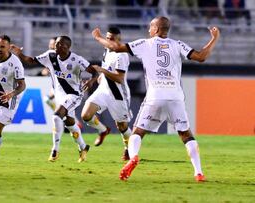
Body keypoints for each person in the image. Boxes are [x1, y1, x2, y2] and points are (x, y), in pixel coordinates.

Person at [92, 16, 220, 182]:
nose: (149, 30)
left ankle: (133, 158)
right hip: (175, 97)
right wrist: (214, 38)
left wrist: (98, 37)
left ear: (157, 29)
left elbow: (115, 47)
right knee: (186, 135)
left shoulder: (145, 44)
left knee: (138, 132)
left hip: (155, 95)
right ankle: (198, 172)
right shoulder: (178, 44)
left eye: (151, 27)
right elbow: (201, 56)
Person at [11, 35, 98, 162]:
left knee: (56, 116)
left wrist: (91, 81)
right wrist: (20, 54)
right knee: (70, 123)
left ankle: (55, 150)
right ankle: (83, 147)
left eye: (60, 44)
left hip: (74, 94)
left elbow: (94, 71)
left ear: (67, 47)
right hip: (60, 95)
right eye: (56, 44)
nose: (56, 46)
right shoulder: (50, 56)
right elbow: (31, 61)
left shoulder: (76, 60)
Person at [81, 27, 132, 161]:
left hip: (118, 93)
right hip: (103, 89)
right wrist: (94, 79)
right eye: (107, 38)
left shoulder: (122, 55)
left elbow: (120, 78)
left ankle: (129, 149)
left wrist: (102, 70)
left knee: (122, 126)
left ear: (119, 40)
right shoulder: (106, 51)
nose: (108, 40)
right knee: (86, 115)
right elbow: (104, 70)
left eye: (112, 38)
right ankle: (103, 130)